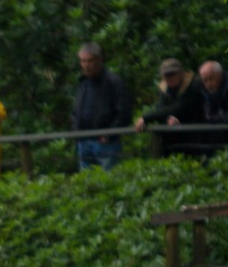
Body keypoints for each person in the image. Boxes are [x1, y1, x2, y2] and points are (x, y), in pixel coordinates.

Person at [71, 42, 132, 171]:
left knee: (110, 181)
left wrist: (110, 134)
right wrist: (76, 130)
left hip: (105, 143)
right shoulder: (83, 82)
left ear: (99, 60)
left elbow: (124, 113)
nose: (86, 65)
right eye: (83, 61)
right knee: (87, 184)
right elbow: (77, 110)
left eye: (90, 61)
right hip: (83, 141)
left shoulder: (113, 82)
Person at [134, 58, 204, 156]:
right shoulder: (164, 89)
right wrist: (168, 118)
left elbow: (181, 107)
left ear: (180, 73)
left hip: (195, 134)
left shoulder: (194, 85)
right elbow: (161, 109)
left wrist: (146, 117)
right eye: (166, 75)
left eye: (172, 74)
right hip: (171, 138)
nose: (169, 78)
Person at [197, 60, 228, 147]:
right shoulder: (206, 90)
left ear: (220, 75)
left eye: (211, 78)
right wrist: (223, 115)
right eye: (205, 80)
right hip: (223, 137)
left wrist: (219, 115)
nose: (208, 84)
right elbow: (208, 115)